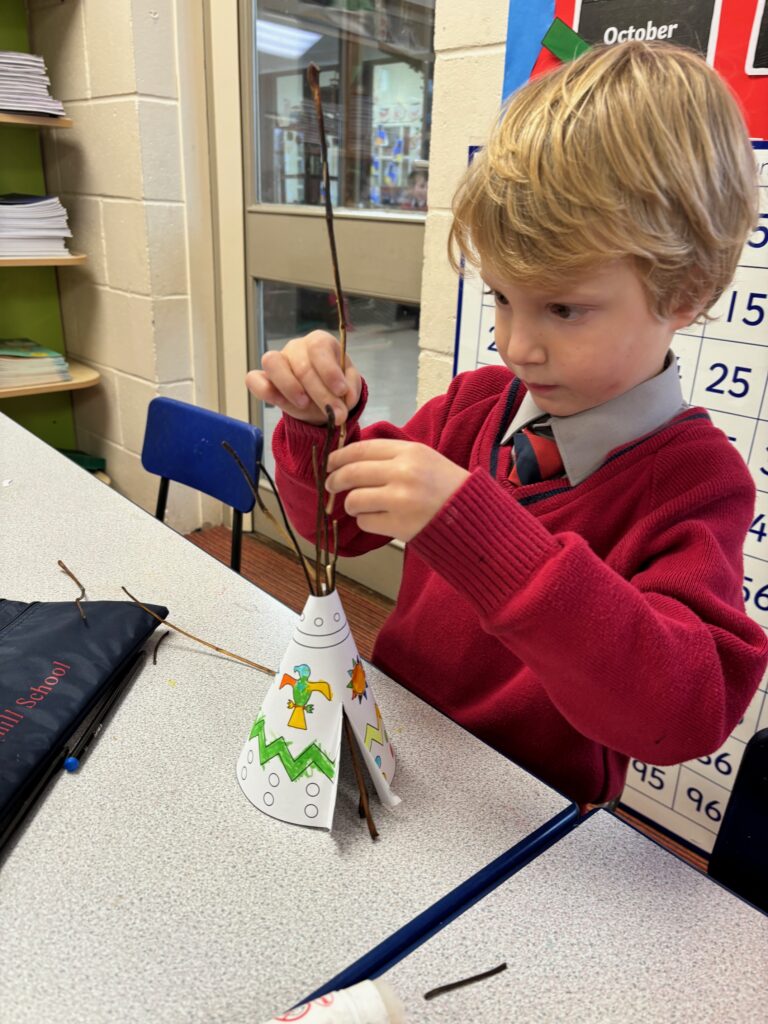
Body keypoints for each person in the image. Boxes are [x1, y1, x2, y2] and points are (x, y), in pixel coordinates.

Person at [246, 41, 768, 807]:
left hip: (528, 819)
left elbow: (684, 711)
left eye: (563, 308)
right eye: (500, 297)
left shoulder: (697, 485)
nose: (516, 344)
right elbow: (341, 529)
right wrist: (317, 427)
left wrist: (478, 530)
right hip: (399, 755)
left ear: (684, 293)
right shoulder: (475, 406)